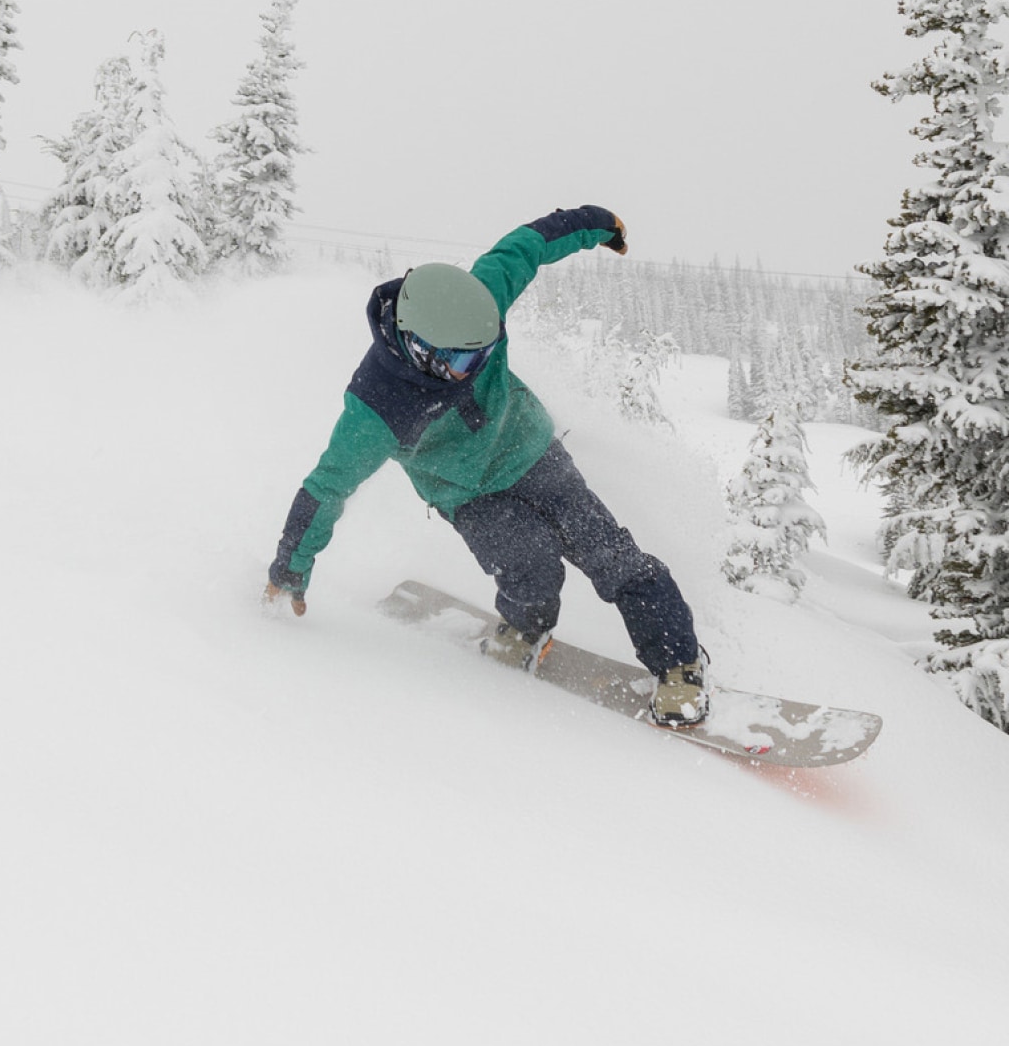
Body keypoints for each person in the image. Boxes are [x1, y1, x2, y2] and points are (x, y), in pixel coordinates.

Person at [260, 205, 707, 728]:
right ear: (420, 348)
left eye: (486, 352)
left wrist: (598, 225)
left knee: (611, 555)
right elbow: (326, 488)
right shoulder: (377, 408)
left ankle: (679, 666)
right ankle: (524, 629)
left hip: (534, 455)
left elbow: (526, 246)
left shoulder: (477, 304)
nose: (478, 366)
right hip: (468, 493)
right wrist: (290, 569)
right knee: (527, 566)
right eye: (467, 360)